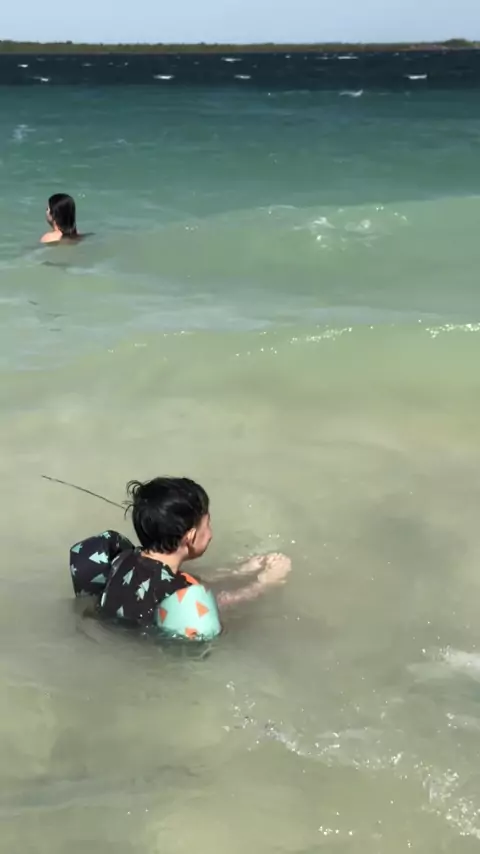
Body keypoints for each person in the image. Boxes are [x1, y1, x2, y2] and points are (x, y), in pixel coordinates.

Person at [69, 477, 291, 637]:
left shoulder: (124, 559)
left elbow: (165, 583)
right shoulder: (182, 591)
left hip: (106, 628)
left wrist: (238, 570)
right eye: (208, 524)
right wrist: (262, 585)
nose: (211, 533)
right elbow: (212, 604)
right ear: (191, 537)